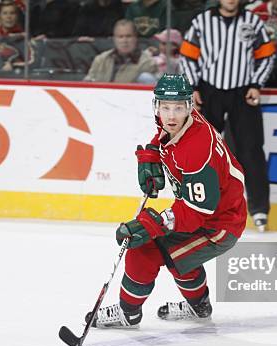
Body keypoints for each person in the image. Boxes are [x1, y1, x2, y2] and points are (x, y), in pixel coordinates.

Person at [88, 74, 247, 328]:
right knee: (179, 256)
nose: (171, 116)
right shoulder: (182, 123)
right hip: (216, 213)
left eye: (178, 108)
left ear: (189, 106)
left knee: (148, 248)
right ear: (157, 106)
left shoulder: (197, 149)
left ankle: (128, 313)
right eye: (165, 107)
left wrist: (156, 223)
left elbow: (197, 211)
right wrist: (152, 153)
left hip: (219, 224)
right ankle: (200, 307)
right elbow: (164, 135)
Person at [179, 0, 275, 232]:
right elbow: (187, 55)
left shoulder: (252, 22)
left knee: (250, 149)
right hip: (209, 91)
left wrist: (256, 84)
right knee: (203, 150)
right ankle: (196, 207)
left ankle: (259, 209)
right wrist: (193, 86)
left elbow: (267, 54)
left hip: (243, 93)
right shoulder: (202, 22)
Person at [84, 19, 158, 83]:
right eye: (120, 37)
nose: (124, 40)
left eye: (128, 36)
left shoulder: (148, 63)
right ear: (114, 39)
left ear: (136, 38)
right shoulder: (100, 60)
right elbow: (87, 83)